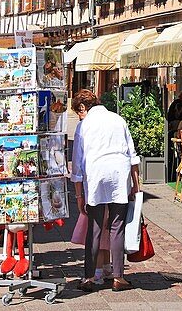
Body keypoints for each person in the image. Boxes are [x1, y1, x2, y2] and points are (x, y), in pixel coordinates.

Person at [71, 89, 141, 293]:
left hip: (95, 175)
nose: (79, 116)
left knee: (94, 227)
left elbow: (77, 163)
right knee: (117, 226)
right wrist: (136, 184)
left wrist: (78, 194)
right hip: (119, 173)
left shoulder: (84, 125)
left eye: (79, 111)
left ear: (83, 107)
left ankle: (89, 277)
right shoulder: (118, 119)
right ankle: (119, 276)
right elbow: (131, 153)